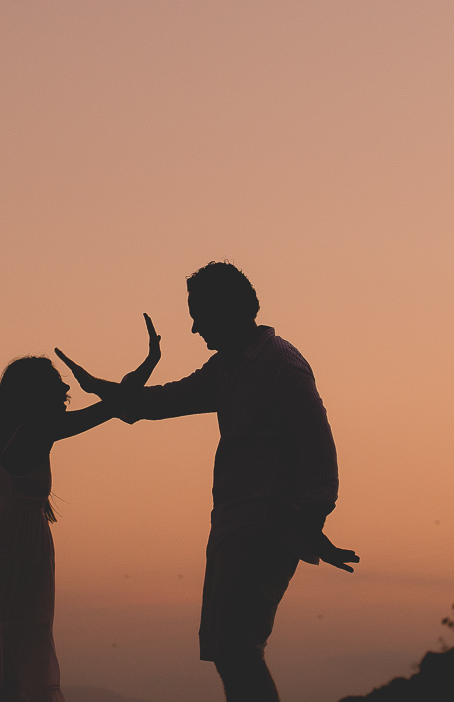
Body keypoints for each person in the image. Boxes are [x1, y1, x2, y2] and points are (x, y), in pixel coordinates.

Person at [57, 262, 358, 702]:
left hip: (264, 528)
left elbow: (320, 459)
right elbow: (161, 401)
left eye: (199, 313)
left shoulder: (281, 366)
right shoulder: (226, 368)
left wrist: (308, 527)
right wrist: (102, 388)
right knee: (227, 650)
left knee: (237, 649)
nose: (195, 328)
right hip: (234, 526)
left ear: (230, 309)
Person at [0, 316, 160, 702]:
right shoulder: (37, 429)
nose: (64, 386)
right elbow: (112, 409)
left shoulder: (5, 436)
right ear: (36, 393)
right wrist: (147, 363)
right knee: (8, 679)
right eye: (56, 381)